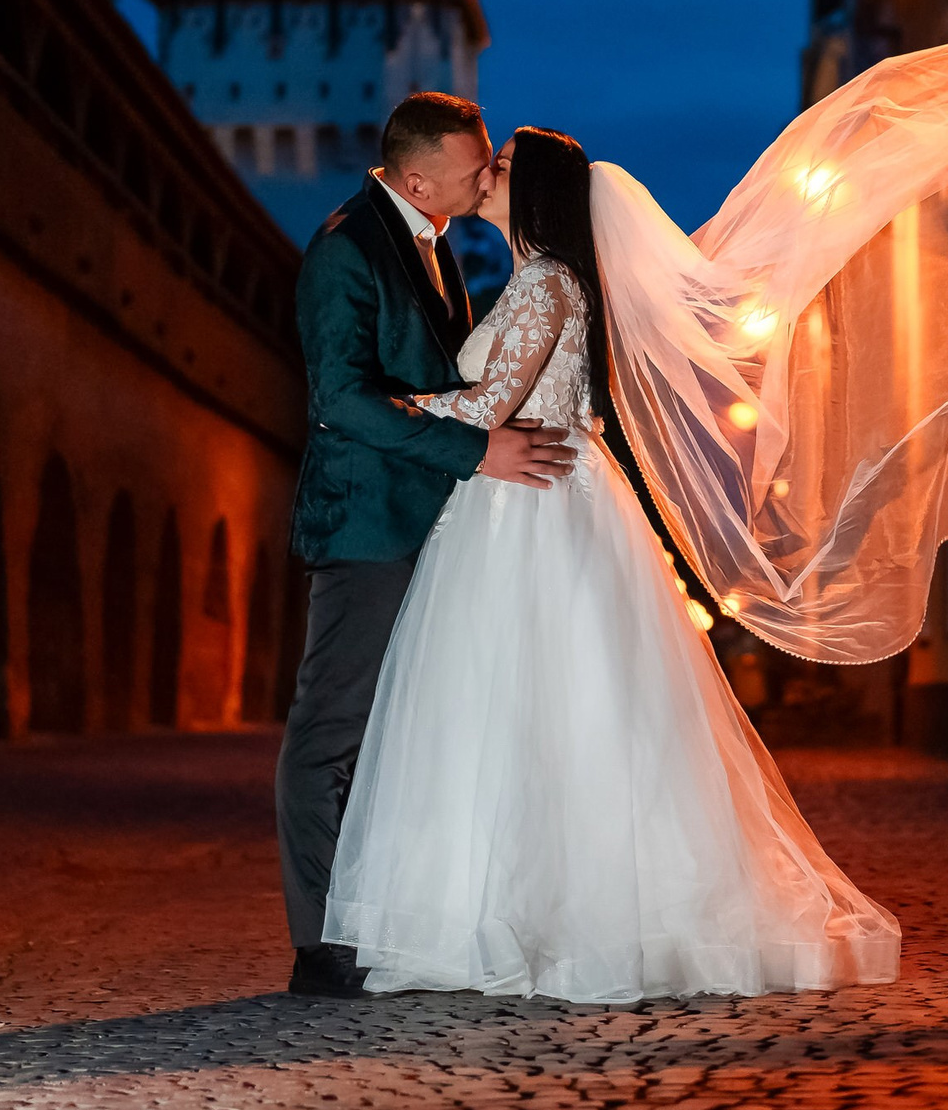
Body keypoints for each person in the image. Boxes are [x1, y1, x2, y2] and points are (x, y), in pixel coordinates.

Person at [321, 128, 901, 1002]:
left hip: (534, 513)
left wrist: (386, 403)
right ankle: (514, 908)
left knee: (543, 710)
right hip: (530, 502)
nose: (489, 175)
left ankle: (545, 914)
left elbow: (488, 403)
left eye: (504, 167)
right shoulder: (538, 282)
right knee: (536, 714)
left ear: (540, 195)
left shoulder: (547, 282)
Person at [277, 92, 579, 1001]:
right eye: (473, 164)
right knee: (332, 728)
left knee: (404, 734)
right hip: (368, 521)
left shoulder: (437, 241)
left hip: (435, 523)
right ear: (418, 178)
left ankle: (390, 919)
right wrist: (477, 447)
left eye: (492, 162)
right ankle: (322, 943)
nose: (486, 174)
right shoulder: (346, 248)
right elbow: (345, 399)